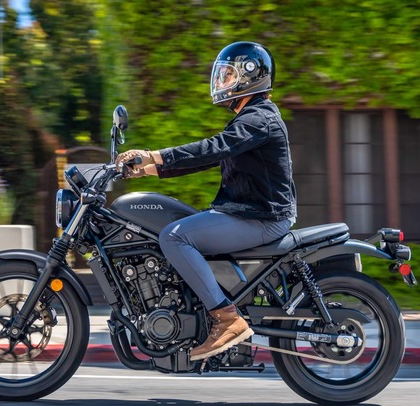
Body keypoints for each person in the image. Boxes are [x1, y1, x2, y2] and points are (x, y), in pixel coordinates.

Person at [116, 41, 297, 361]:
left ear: (250, 76)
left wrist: (152, 154)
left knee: (174, 236)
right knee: (181, 230)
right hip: (249, 212)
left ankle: (226, 319)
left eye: (228, 75)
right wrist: (149, 169)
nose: (221, 81)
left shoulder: (258, 119)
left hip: (262, 217)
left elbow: (213, 148)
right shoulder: (251, 119)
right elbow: (209, 159)